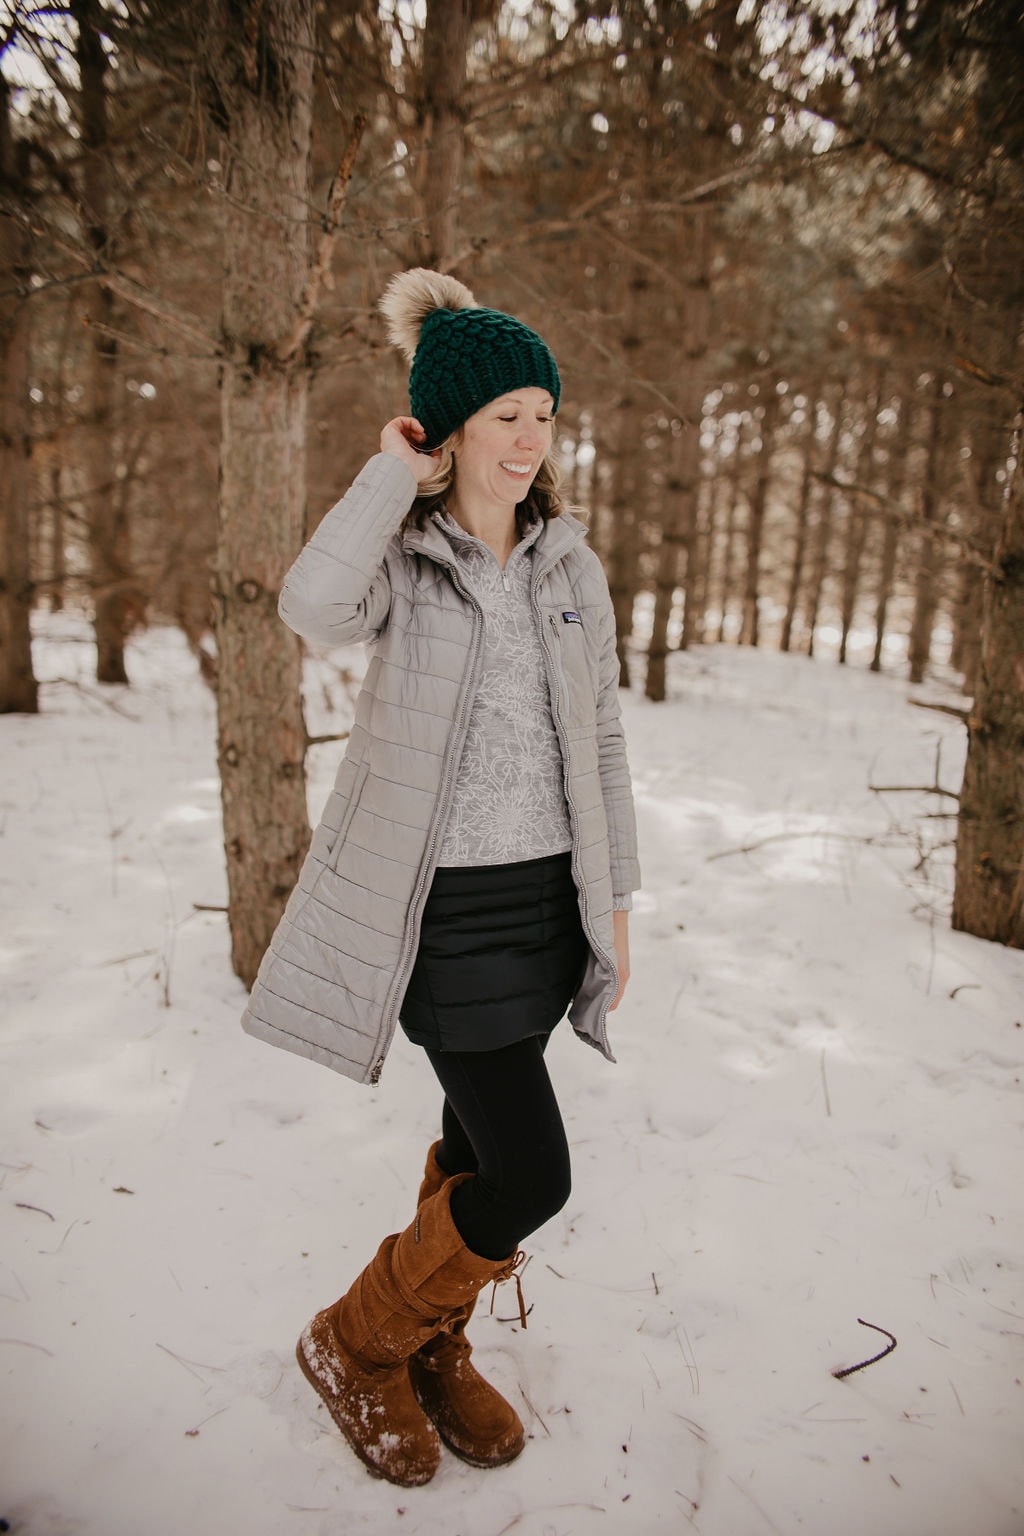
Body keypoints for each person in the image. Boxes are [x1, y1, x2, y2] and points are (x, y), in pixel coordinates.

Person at [242, 268, 641, 1488]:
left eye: (544, 414)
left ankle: (431, 1341)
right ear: (452, 427)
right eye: (505, 414)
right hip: (443, 915)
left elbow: (604, 738)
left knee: (477, 1147)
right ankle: (357, 1341)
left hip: (546, 907)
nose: (529, 438)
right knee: (533, 1174)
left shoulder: (568, 566)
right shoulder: (405, 563)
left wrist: (615, 906)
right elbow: (311, 606)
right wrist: (388, 476)